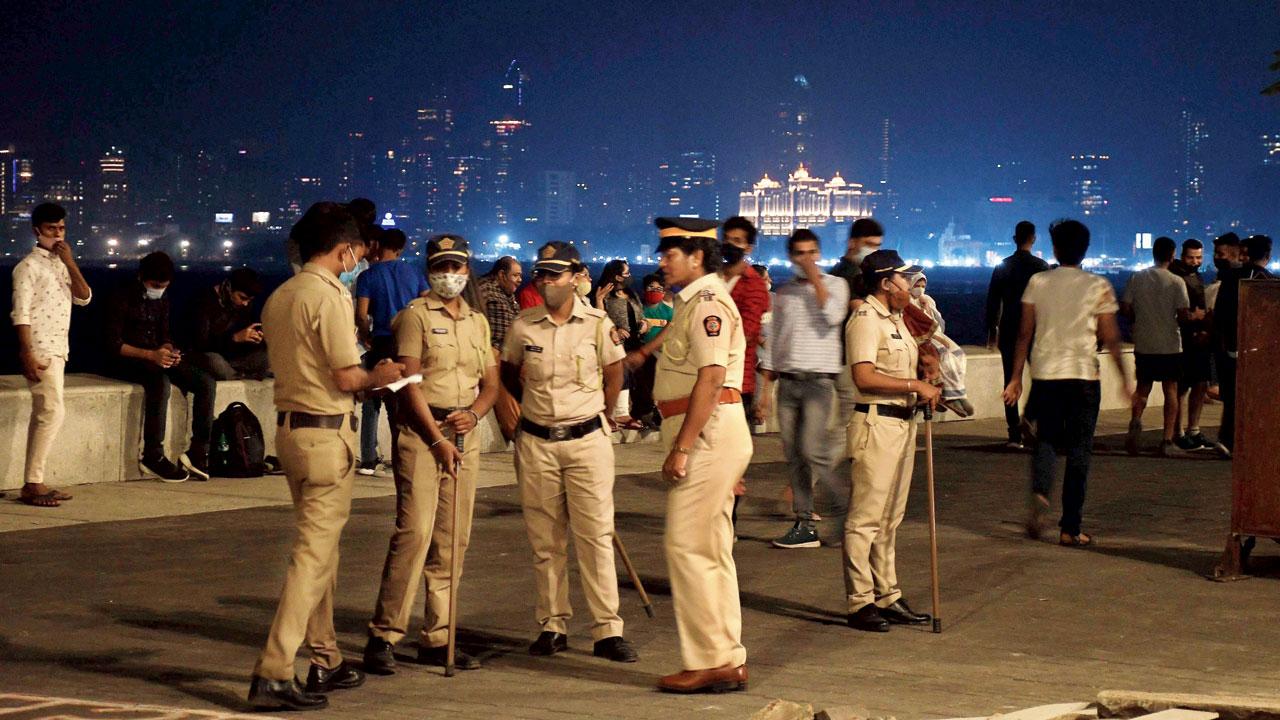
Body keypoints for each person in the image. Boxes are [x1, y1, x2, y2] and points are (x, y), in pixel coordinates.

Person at [248, 202, 403, 711]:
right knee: (313, 558)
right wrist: (381, 374)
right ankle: (274, 670)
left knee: (323, 555)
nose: (359, 259)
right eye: (357, 252)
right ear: (345, 250)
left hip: (290, 433)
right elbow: (345, 376)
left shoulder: (280, 296)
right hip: (325, 436)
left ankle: (326, 658)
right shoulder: (329, 297)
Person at [364, 234, 499, 673]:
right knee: (415, 532)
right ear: (430, 270)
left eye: (457, 267)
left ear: (467, 270)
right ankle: (384, 634)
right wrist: (438, 439)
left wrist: (475, 415)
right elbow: (409, 383)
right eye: (442, 267)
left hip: (465, 435)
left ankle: (438, 636)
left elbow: (491, 384)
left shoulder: (478, 322)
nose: (451, 275)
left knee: (452, 540)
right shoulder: (415, 317)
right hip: (424, 434)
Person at [500, 241, 639, 664]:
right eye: (541, 274)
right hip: (538, 440)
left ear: (575, 276)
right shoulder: (525, 326)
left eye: (555, 274)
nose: (546, 281)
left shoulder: (596, 323)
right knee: (546, 540)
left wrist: (603, 412)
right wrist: (515, 414)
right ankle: (552, 624)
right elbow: (507, 373)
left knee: (595, 536)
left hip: (586, 440)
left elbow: (614, 370)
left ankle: (607, 629)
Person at [649, 217, 751, 694]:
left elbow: (711, 378)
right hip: (715, 431)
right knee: (710, 548)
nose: (661, 261)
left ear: (696, 257)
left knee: (686, 545)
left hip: (707, 432)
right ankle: (725, 657)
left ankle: (709, 659)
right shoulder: (694, 303)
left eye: (670, 254)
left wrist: (683, 446)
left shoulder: (707, 304)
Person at [1003, 219, 1131, 548]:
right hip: (1083, 376)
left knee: (1045, 441)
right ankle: (1070, 528)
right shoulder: (1097, 285)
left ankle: (1041, 494)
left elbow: (1024, 334)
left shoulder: (1038, 282)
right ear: (1085, 250)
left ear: (1055, 248)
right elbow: (1111, 336)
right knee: (1079, 451)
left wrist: (1016, 377)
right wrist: (1126, 379)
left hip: (1046, 374)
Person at [843, 249, 940, 633]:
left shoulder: (897, 319)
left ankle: (887, 594)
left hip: (902, 422)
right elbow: (864, 377)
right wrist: (913, 384)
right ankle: (860, 600)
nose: (908, 285)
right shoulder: (866, 319)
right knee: (866, 518)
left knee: (889, 518)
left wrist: (924, 372)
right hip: (876, 424)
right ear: (886, 284)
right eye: (902, 279)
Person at [757, 228, 849, 549]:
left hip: (818, 383)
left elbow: (834, 316)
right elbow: (775, 343)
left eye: (812, 252)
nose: (806, 259)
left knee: (814, 451)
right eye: (800, 253)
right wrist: (765, 392)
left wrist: (816, 280)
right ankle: (805, 522)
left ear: (820, 254)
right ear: (791, 256)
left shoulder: (837, 285)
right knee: (794, 456)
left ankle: (841, 509)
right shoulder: (783, 294)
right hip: (789, 383)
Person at [103, 251, 217, 482]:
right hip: (127, 358)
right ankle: (153, 454)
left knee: (205, 383)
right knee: (159, 383)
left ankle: (198, 451)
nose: (159, 289)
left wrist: (168, 350)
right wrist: (149, 355)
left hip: (155, 354)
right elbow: (112, 344)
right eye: (155, 285)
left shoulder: (163, 299)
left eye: (164, 285)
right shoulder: (121, 296)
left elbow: (165, 333)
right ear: (142, 277)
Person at [10, 202, 91, 507]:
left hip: (59, 347)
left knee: (46, 413)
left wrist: (70, 262)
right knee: (52, 413)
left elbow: (84, 297)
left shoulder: (60, 264)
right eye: (51, 229)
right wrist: (26, 352)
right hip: (41, 347)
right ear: (37, 231)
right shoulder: (27, 267)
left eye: (61, 228)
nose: (58, 234)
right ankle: (33, 484)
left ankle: (35, 481)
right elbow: (21, 314)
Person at [354, 229, 429, 475]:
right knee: (403, 401)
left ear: (379, 246)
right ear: (401, 249)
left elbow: (362, 314)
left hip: (382, 342)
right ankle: (404, 454)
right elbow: (426, 304)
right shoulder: (414, 273)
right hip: (408, 345)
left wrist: (366, 336)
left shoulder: (368, 276)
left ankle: (368, 458)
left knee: (372, 400)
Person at [721, 217, 770, 531]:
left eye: (738, 241)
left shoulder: (753, 284)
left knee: (732, 462)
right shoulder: (710, 277)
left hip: (737, 383)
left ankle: (729, 522)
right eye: (727, 238)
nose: (731, 245)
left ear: (749, 247)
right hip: (702, 379)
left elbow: (749, 330)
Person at [1122, 236, 1191, 457]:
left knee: (1143, 388)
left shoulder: (1137, 277)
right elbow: (1182, 315)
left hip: (1144, 342)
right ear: (1172, 255)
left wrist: (1137, 321)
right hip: (1170, 343)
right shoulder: (1176, 281)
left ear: (1153, 253)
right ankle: (1167, 439)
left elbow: (1126, 308)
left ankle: (1135, 421)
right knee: (1170, 390)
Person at [984, 221, 1050, 448]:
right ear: (1033, 238)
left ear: (1015, 239)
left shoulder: (1003, 266)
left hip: (1010, 328)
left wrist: (992, 331)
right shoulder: (1041, 266)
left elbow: (993, 302)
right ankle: (1034, 423)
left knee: (1010, 380)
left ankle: (1013, 433)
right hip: (1037, 330)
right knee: (1042, 379)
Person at [1212, 234, 1273, 453]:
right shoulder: (1267, 282)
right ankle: (1244, 440)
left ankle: (1227, 438)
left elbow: (1219, 314)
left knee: (1232, 397)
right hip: (1255, 348)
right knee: (1255, 398)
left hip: (1229, 345)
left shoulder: (1230, 277)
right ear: (1267, 255)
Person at [1168, 239, 1216, 451]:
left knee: (1200, 384)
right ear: (1181, 255)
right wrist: (1196, 316)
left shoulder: (1195, 275)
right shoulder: (1177, 276)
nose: (1195, 261)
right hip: (1184, 340)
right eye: (1191, 257)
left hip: (1199, 339)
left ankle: (1193, 430)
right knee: (1182, 387)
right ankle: (1179, 432)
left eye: (1198, 257)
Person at [182, 268, 269, 380]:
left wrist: (256, 336)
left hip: (231, 356)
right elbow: (200, 344)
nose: (245, 303)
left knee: (266, 356)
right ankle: (239, 377)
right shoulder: (203, 301)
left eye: (249, 300)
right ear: (229, 288)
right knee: (215, 361)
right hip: (205, 354)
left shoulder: (243, 305)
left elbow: (247, 327)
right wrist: (234, 338)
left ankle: (239, 374)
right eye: (242, 298)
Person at [906, 273, 973, 417]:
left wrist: (927, 308)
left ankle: (959, 393)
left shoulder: (928, 300)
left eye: (923, 286)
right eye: (917, 286)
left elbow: (940, 324)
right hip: (924, 337)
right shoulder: (908, 301)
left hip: (937, 334)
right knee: (945, 357)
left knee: (959, 354)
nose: (920, 289)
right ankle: (948, 396)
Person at [593, 259, 649, 429]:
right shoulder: (605, 295)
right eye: (626, 273)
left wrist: (645, 324)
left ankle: (642, 412)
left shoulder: (631, 294)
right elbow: (600, 319)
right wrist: (615, 328)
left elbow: (641, 314)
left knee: (644, 374)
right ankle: (618, 414)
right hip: (616, 344)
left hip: (636, 341)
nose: (629, 276)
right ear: (617, 276)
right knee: (620, 371)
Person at [478, 256, 524, 442]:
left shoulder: (509, 294)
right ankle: (514, 429)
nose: (520, 280)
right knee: (500, 383)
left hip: (511, 351)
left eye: (521, 276)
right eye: (516, 275)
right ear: (501, 274)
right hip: (491, 351)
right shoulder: (485, 289)